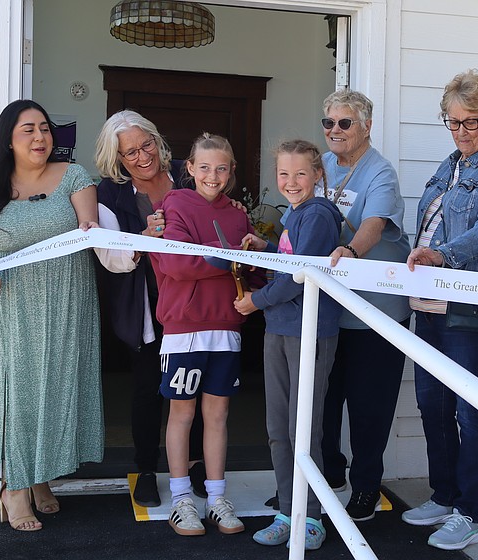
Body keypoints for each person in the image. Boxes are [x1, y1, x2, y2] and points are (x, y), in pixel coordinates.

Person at [0, 99, 104, 531]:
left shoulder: (75, 176)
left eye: (45, 128)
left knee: (59, 387)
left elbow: (90, 231)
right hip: (17, 307)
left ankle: (41, 475)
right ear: (9, 138)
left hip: (68, 301)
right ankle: (15, 487)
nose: (41, 137)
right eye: (29, 130)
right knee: (20, 394)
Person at [403, 70, 478, 551]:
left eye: (471, 121)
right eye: (452, 122)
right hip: (430, 302)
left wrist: (443, 255)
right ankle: (444, 494)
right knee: (432, 403)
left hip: (475, 306)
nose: (461, 131)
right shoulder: (449, 164)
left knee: (472, 412)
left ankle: (469, 512)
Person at [148, 133, 263, 536]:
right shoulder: (174, 204)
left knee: (218, 415)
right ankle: (181, 499)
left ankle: (216, 497)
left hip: (226, 329)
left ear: (231, 172)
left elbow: (249, 269)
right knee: (182, 413)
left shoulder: (237, 213)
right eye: (205, 167)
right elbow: (179, 263)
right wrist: (230, 252)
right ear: (190, 169)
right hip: (184, 330)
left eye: (222, 168)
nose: (213, 175)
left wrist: (248, 254)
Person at [234, 140, 343, 551]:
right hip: (279, 329)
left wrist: (254, 301)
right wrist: (265, 247)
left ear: (318, 174)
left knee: (304, 428)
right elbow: (288, 256)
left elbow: (300, 271)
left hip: (309, 332)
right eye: (283, 174)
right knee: (279, 427)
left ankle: (310, 518)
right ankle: (287, 509)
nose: (291, 182)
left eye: (300, 173)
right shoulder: (295, 214)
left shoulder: (317, 214)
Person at [94, 110, 207, 507]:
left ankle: (194, 464)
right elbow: (111, 258)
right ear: (117, 159)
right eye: (130, 153)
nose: (143, 157)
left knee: (193, 384)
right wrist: (142, 238)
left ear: (158, 141)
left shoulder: (188, 174)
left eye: (147, 145)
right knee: (147, 389)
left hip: (194, 301)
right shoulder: (108, 194)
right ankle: (145, 468)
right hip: (148, 305)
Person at [318, 89, 413, 522]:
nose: (335, 131)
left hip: (377, 313)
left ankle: (367, 488)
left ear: (366, 127)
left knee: (368, 408)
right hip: (332, 310)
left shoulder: (380, 172)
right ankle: (327, 475)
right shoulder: (321, 165)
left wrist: (351, 253)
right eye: (329, 123)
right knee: (323, 399)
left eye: (344, 123)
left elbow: (374, 224)